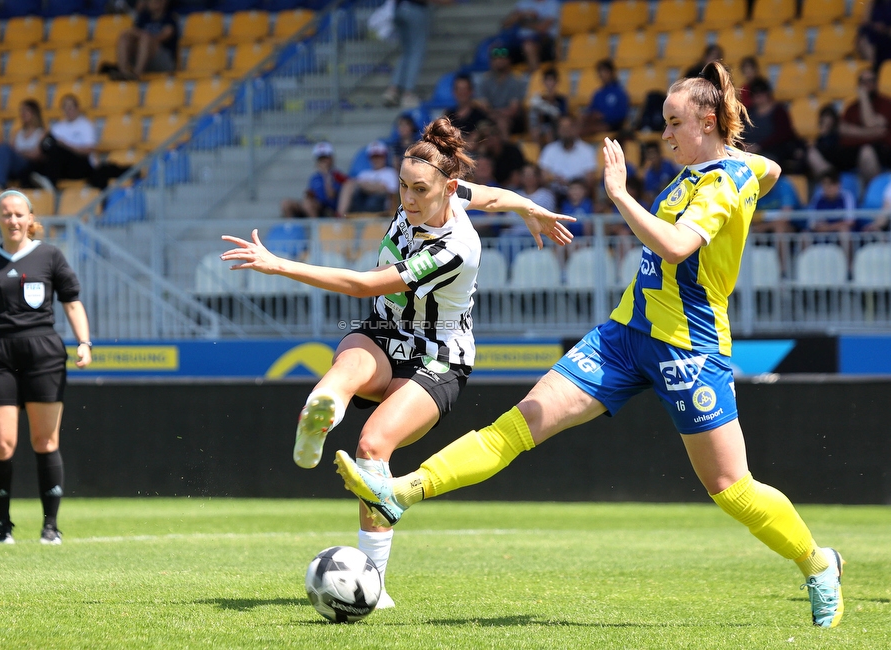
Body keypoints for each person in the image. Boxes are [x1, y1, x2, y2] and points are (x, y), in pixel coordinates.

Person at [336, 62, 846, 629]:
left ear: (707, 121)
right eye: (664, 122)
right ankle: (400, 492)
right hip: (624, 335)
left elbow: (677, 246)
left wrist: (620, 195)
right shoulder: (729, 170)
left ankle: (818, 563)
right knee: (518, 424)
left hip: (690, 349)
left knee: (730, 488)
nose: (665, 134)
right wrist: (743, 165)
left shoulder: (721, 184)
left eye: (674, 122)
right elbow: (770, 169)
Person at [221, 116, 572, 610]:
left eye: (419, 190)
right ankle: (321, 410)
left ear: (448, 189)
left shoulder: (455, 248)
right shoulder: (437, 189)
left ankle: (374, 582)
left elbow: (365, 283)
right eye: (403, 186)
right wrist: (530, 207)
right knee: (346, 368)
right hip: (386, 332)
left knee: (373, 446)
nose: (408, 198)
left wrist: (279, 264)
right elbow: (490, 196)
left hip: (438, 357)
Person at [0, 190, 92, 545]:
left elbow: (72, 304)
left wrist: (84, 343)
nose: (13, 220)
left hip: (43, 353)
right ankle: (3, 526)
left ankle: (50, 527)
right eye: (6, 214)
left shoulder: (50, 256)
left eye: (19, 214)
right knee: (2, 444)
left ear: (30, 219)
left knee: (45, 440)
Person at [381, 0, 451, 109]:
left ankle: (393, 90)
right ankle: (407, 94)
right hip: (415, 10)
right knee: (416, 52)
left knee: (407, 52)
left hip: (399, 9)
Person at [835, 68, 891, 188]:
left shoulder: (885, 103)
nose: (868, 84)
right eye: (864, 81)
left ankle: (874, 193)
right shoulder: (852, 107)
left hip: (881, 150)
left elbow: (870, 123)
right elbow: (842, 129)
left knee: (866, 152)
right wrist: (870, 133)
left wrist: (864, 97)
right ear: (859, 84)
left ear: (876, 83)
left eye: (871, 80)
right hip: (852, 149)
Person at [743, 77, 805, 174]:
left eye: (761, 93)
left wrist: (760, 146)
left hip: (773, 151)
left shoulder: (779, 111)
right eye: (755, 94)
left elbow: (782, 135)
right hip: (748, 151)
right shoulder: (748, 112)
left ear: (767, 93)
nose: (759, 97)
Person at [36, 93, 98, 189]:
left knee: (58, 149)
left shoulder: (86, 125)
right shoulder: (58, 127)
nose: (68, 110)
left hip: (81, 164)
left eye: (71, 107)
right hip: (64, 167)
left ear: (77, 108)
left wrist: (66, 146)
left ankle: (50, 181)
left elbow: (88, 150)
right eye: (65, 107)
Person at [0, 99, 46, 189]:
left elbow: (37, 154)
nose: (23, 114)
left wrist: (19, 152)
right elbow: (10, 150)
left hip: (28, 165)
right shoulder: (18, 133)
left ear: (34, 113)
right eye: (22, 111)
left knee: (4, 149)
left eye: (26, 111)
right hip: (16, 163)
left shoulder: (41, 133)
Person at [537, 113, 598, 198]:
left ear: (575, 129)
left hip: (579, 194)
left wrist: (572, 184)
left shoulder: (587, 150)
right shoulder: (549, 150)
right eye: (562, 128)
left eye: (568, 128)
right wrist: (555, 179)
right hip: (555, 194)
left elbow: (590, 179)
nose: (565, 131)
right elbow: (543, 177)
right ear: (558, 130)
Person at [280, 141, 347, 218]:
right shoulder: (314, 177)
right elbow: (310, 194)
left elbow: (331, 195)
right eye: (320, 159)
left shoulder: (338, 176)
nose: (323, 161)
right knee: (286, 203)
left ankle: (316, 228)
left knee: (308, 205)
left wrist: (326, 174)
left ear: (331, 158)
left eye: (325, 157)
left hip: (328, 210)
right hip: (312, 206)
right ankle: (291, 228)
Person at [114, 0, 178, 81]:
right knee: (124, 38)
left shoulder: (170, 17)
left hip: (164, 61)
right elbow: (132, 33)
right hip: (143, 57)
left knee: (146, 39)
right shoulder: (143, 18)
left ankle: (136, 74)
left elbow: (166, 35)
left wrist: (143, 35)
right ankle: (123, 72)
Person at [476, 44, 528, 137]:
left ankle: (506, 150)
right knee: (481, 127)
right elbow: (484, 107)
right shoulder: (484, 81)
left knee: (502, 123)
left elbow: (513, 110)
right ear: (491, 61)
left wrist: (496, 113)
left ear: (509, 60)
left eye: (503, 57)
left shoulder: (516, 81)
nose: (499, 60)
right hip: (490, 118)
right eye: (496, 58)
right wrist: (495, 114)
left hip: (512, 121)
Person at [336, 140, 399, 216]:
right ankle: (340, 216)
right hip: (362, 201)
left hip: (380, 204)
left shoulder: (390, 173)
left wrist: (366, 185)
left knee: (378, 191)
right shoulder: (363, 174)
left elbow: (389, 191)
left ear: (384, 157)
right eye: (374, 157)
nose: (376, 159)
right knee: (349, 185)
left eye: (379, 156)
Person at [500, 0, 561, 72]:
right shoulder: (523, 3)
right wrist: (521, 14)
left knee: (528, 46)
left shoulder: (552, 4)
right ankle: (502, 81)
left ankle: (534, 78)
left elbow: (543, 28)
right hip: (520, 42)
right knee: (498, 49)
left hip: (545, 42)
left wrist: (523, 23)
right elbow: (505, 25)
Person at [580, 58, 630, 137]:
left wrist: (604, 116)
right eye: (600, 72)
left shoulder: (619, 92)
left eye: (604, 71)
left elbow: (622, 113)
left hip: (613, 126)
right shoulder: (598, 94)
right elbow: (591, 110)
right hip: (597, 123)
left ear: (611, 73)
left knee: (587, 130)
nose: (601, 74)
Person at [527, 65, 568, 147]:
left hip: (555, 127)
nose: (550, 83)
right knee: (535, 132)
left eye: (552, 80)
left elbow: (562, 117)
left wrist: (550, 105)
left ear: (556, 82)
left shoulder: (561, 99)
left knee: (549, 133)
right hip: (541, 126)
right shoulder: (539, 99)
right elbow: (535, 117)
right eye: (547, 80)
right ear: (544, 82)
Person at [443, 73, 490, 138]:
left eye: (465, 89)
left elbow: (486, 130)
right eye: (458, 89)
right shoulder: (448, 115)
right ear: (454, 92)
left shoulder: (480, 114)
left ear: (471, 91)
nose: (461, 92)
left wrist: (476, 135)